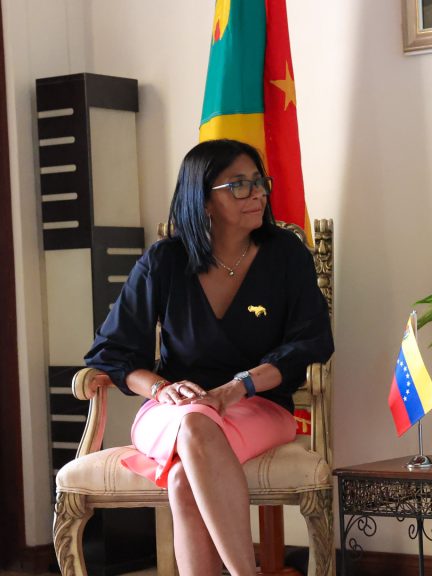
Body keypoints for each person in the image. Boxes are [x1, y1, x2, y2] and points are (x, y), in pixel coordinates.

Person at [84, 139, 334, 576]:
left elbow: (310, 342)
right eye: (239, 185)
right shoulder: (164, 260)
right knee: (194, 424)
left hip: (258, 405)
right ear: (202, 199)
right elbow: (112, 352)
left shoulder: (285, 255)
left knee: (184, 477)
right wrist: (161, 389)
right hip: (172, 411)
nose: (257, 193)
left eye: (259, 182)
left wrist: (238, 387)